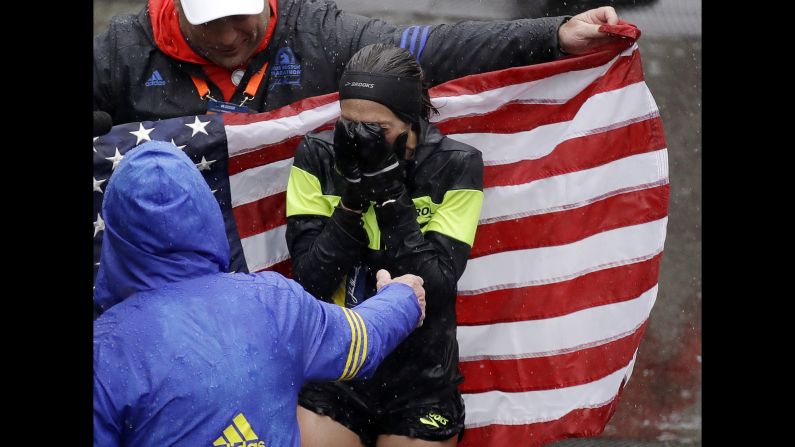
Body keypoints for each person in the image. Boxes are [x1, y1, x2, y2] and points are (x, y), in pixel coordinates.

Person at [93, 140, 429, 447]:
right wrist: (403, 297)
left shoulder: (104, 351)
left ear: (116, 239)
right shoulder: (272, 302)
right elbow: (361, 340)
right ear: (206, 215)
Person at [285, 43, 483, 447]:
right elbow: (309, 281)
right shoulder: (317, 156)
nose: (360, 139)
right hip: (336, 364)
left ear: (411, 121)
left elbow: (439, 287)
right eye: (349, 125)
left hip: (419, 379)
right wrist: (352, 202)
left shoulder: (456, 165)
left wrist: (392, 195)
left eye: (377, 129)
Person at [94, 0, 623, 125]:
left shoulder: (316, 29)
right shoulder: (123, 49)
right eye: (213, 23)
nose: (233, 36)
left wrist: (550, 34)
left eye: (243, 16)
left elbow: (426, 49)